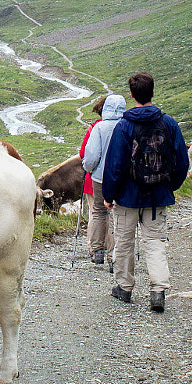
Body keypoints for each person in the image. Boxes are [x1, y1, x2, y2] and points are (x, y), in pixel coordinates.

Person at [100, 72, 189, 313]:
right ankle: (158, 290)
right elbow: (182, 162)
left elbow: (115, 165)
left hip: (127, 197)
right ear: (152, 92)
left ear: (132, 95)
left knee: (124, 242)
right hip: (157, 196)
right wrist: (170, 186)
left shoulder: (124, 126)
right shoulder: (169, 124)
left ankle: (124, 287)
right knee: (155, 242)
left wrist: (109, 195)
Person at [78, 93, 126, 264]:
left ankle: (97, 251)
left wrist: (89, 169)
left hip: (99, 177)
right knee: (116, 213)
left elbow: (91, 156)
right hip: (122, 178)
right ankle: (114, 254)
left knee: (98, 211)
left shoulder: (99, 127)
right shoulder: (127, 126)